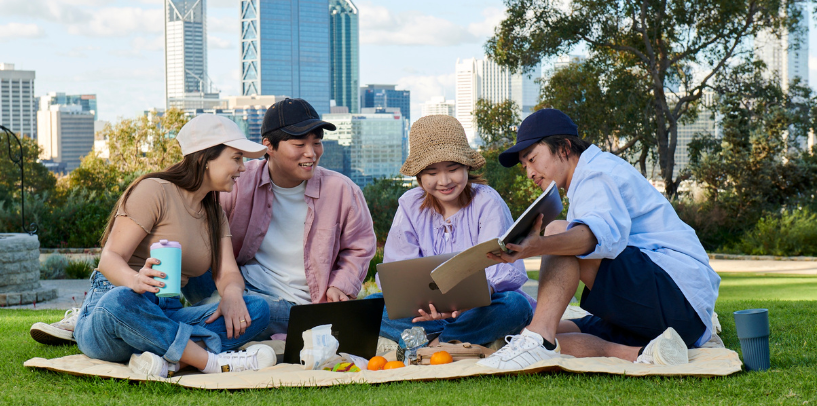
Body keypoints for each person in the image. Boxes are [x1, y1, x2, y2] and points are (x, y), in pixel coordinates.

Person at [476, 109, 720, 370]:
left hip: (678, 300)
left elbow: (596, 237)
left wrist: (539, 245)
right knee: (538, 333)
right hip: (675, 322)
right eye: (525, 166)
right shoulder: (586, 180)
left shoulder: (595, 174)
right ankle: (644, 353)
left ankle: (539, 337)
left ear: (565, 147)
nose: (529, 173)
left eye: (533, 159)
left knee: (559, 231)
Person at [71, 115, 277, 378]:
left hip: (167, 314)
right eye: (236, 158)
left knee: (256, 309)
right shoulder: (154, 191)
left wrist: (233, 295)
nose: (243, 168)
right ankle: (210, 362)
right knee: (121, 300)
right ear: (205, 158)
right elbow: (109, 258)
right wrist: (135, 280)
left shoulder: (214, 213)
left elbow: (227, 273)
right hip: (116, 313)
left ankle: (169, 360)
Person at [183, 98, 377, 340]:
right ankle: (207, 317)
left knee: (258, 309)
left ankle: (186, 324)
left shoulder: (342, 190)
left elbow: (360, 247)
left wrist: (340, 285)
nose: (311, 153)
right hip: (236, 283)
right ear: (268, 146)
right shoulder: (239, 180)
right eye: (299, 144)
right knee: (183, 255)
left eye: (317, 143)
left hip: (291, 305)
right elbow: (198, 225)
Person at [367, 115, 534, 347]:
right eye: (432, 173)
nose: (444, 180)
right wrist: (424, 304)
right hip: (425, 315)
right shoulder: (409, 205)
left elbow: (503, 270)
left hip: (479, 311)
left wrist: (471, 299)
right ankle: (452, 339)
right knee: (370, 306)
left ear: (467, 165)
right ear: (419, 176)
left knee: (516, 305)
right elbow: (398, 271)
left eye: (453, 169)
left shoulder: (487, 202)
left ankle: (435, 343)